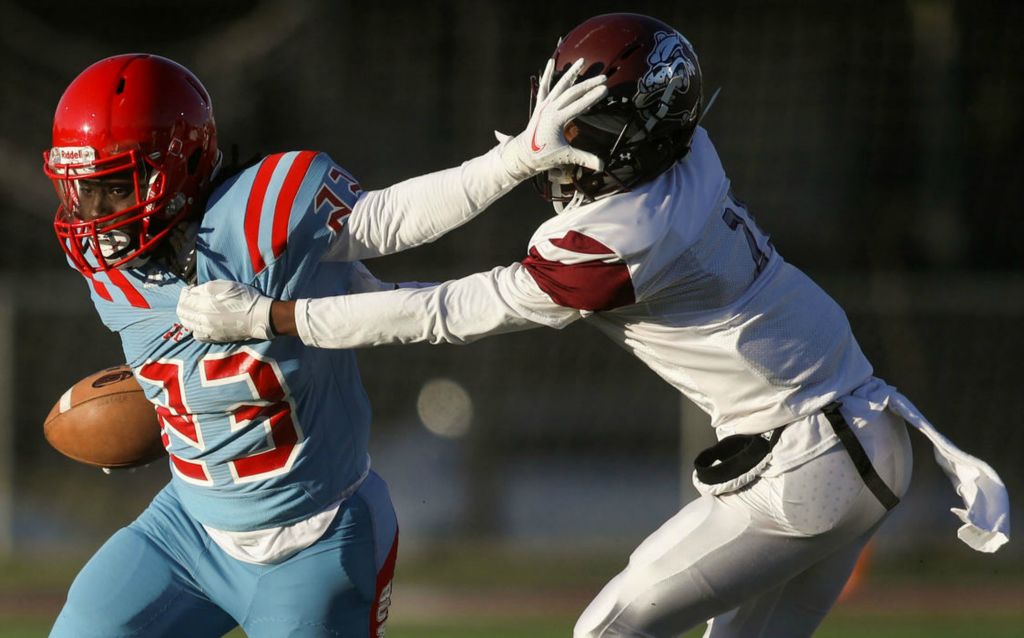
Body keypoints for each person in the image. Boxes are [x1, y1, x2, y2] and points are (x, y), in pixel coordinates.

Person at [178, 13, 1011, 638]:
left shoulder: (623, 241)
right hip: (856, 435)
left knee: (609, 629)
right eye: (561, 112)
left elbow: (445, 314)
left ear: (643, 139)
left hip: (808, 460)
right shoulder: (687, 155)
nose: (567, 142)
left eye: (590, 129)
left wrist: (274, 315)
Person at [42, 52, 606, 637]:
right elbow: (180, 361)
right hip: (186, 530)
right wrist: (168, 414)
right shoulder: (103, 259)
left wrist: (513, 161)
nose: (92, 214)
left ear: (180, 164)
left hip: (316, 536)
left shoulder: (267, 210)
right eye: (79, 189)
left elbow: (390, 220)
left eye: (112, 187)